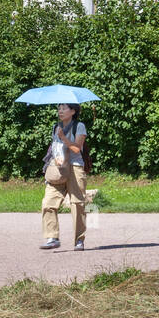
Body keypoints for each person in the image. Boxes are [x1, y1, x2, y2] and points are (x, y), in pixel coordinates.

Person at [40, 103, 89, 250]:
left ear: (73, 111)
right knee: (48, 202)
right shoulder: (56, 126)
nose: (60, 111)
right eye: (59, 108)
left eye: (64, 108)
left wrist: (63, 137)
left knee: (77, 204)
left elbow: (76, 148)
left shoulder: (79, 126)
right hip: (59, 168)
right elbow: (55, 147)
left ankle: (79, 240)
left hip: (75, 168)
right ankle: (52, 237)